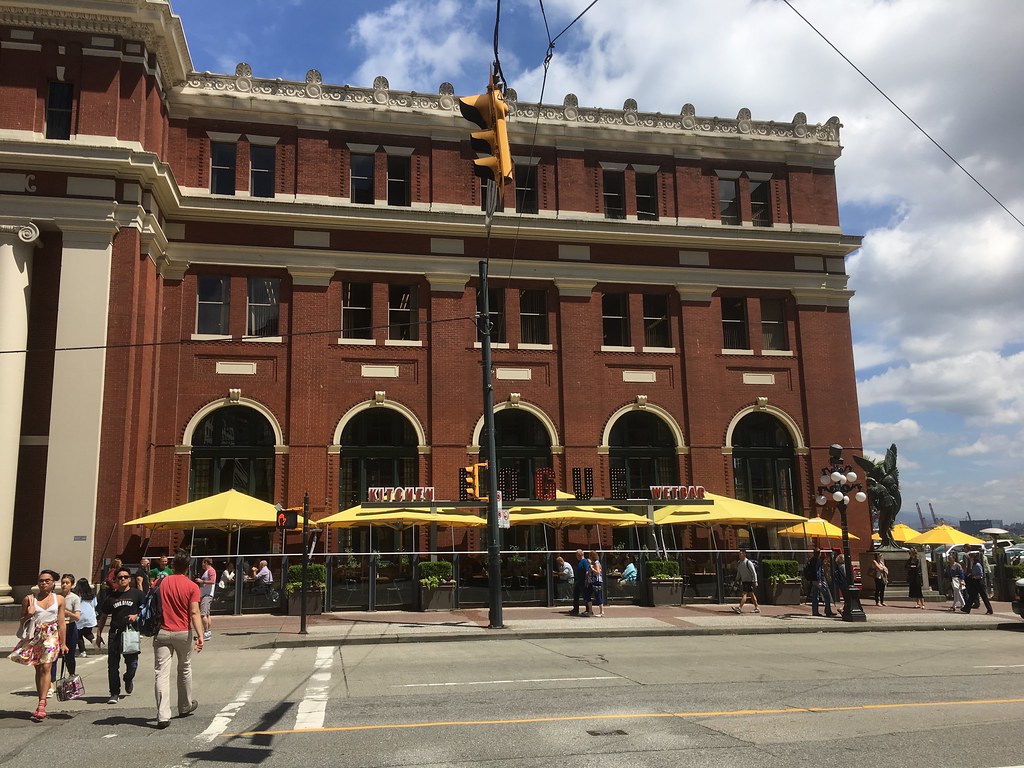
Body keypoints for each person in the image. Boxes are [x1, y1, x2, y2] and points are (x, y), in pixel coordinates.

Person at [153, 549, 204, 728]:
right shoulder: (192, 586)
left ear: (172, 565)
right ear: (188, 567)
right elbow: (195, 612)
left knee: (161, 672)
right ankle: (184, 705)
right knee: (184, 668)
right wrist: (200, 635)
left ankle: (162, 715)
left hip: (163, 631)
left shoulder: (162, 582)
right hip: (183, 631)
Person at [8, 569, 68, 721]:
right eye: (41, 581)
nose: (44, 583)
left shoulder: (59, 599)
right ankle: (41, 697)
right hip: (35, 635)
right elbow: (22, 620)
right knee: (38, 668)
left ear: (53, 583)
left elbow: (61, 622)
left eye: (47, 580)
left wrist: (63, 643)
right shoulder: (29, 599)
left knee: (47, 666)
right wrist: (29, 613)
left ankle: (42, 703)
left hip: (51, 634)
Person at [95, 565, 144, 704]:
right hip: (115, 634)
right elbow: (103, 616)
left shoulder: (137, 594)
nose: (122, 579)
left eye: (125, 577)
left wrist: (136, 615)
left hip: (131, 634)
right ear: (116, 580)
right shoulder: (111, 597)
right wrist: (99, 634)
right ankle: (114, 693)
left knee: (132, 664)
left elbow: (146, 610)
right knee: (113, 665)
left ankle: (128, 678)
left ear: (130, 579)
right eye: (120, 577)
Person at [51, 573, 81, 695]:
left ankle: (72, 678)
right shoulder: (56, 597)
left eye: (67, 583)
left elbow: (77, 617)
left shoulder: (74, 598)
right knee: (53, 656)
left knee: (70, 656)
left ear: (72, 585)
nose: (64, 585)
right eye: (63, 582)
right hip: (57, 627)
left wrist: (66, 612)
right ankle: (51, 683)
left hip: (70, 627)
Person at [807, 549, 835, 617]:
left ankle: (815, 611)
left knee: (815, 596)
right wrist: (819, 581)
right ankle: (828, 611)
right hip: (819, 581)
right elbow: (818, 571)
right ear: (819, 553)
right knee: (826, 595)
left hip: (813, 580)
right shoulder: (818, 561)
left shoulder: (811, 560)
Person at [732, 548, 760, 614]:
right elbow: (739, 572)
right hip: (744, 581)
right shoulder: (739, 563)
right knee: (751, 594)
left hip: (749, 581)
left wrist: (755, 581)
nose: (739, 555)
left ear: (744, 555)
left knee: (744, 594)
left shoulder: (748, 562)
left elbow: (754, 572)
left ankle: (739, 608)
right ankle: (757, 607)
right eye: (739, 554)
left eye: (741, 554)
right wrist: (736, 580)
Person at [74, 577, 98, 656]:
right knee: (87, 632)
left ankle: (83, 651)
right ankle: (93, 639)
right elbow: (95, 604)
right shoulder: (92, 594)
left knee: (78, 634)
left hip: (80, 615)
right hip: (90, 615)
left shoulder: (77, 594)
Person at [195, 557, 216, 640]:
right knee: (207, 614)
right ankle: (208, 632)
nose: (202, 565)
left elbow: (212, 581)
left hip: (207, 595)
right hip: (205, 594)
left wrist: (202, 581)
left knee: (203, 614)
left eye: (203, 563)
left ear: (206, 563)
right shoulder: (207, 571)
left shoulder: (211, 570)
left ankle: (206, 632)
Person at [568, 550, 590, 616]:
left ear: (580, 554)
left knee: (585, 595)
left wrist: (586, 580)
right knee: (575, 594)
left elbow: (587, 571)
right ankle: (575, 609)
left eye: (576, 555)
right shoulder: (580, 562)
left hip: (583, 581)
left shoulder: (585, 561)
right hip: (578, 581)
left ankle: (588, 609)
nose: (576, 556)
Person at [587, 551, 604, 617]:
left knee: (598, 596)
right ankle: (590, 611)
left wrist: (592, 568)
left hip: (596, 581)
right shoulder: (592, 563)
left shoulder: (596, 563)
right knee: (588, 595)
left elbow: (598, 572)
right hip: (591, 581)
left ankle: (601, 611)